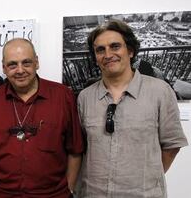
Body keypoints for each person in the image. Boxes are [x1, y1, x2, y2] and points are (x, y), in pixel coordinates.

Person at [77, 19, 188, 197]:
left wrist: (144, 180)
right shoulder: (85, 97)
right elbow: (80, 149)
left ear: (130, 50)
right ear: (95, 57)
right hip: (93, 193)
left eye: (115, 46)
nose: (108, 54)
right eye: (100, 49)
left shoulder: (160, 91)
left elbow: (172, 145)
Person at [0, 38, 84, 198]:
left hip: (52, 195)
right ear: (4, 67)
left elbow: (75, 149)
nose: (20, 70)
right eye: (12, 64)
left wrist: (69, 189)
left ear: (36, 63)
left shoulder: (63, 96)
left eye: (26, 62)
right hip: (1, 194)